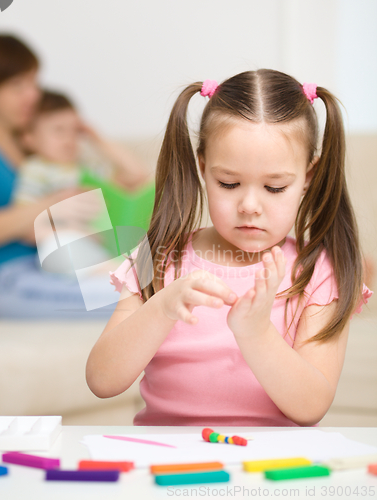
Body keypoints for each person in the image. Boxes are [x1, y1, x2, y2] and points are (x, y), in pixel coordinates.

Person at [86, 69, 373, 427]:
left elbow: (311, 405)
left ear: (308, 179)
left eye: (274, 187)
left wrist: (257, 333)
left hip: (273, 468)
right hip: (167, 461)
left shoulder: (319, 272)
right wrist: (161, 308)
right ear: (204, 168)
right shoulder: (157, 256)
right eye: (229, 183)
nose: (250, 205)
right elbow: (102, 380)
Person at [0, 34, 149, 319]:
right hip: (8, 278)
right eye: (17, 85)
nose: (33, 94)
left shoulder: (34, 146)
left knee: (148, 289)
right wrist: (50, 206)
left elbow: (135, 178)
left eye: (34, 82)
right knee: (138, 301)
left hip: (58, 268)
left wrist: (91, 137)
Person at [13, 89, 117, 279]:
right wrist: (75, 231)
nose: (69, 139)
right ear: (29, 138)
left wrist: (96, 137)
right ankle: (114, 274)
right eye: (58, 130)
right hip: (62, 241)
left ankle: (115, 273)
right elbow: (27, 229)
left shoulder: (85, 165)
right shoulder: (36, 170)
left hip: (98, 243)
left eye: (75, 131)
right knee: (56, 244)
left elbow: (132, 178)